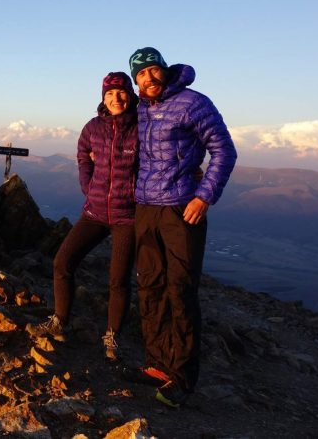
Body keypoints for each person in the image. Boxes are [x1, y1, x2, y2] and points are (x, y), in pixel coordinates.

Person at [127, 47, 237, 408]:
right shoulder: (142, 107)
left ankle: (184, 377)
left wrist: (204, 196)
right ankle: (157, 364)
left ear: (164, 70)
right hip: (146, 208)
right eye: (141, 74)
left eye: (153, 70)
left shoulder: (193, 102)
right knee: (151, 286)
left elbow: (224, 150)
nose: (148, 78)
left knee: (181, 290)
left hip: (180, 209)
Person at [27, 71, 138, 362]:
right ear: (103, 98)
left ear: (130, 94)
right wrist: (87, 186)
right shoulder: (93, 127)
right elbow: (82, 155)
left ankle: (114, 336)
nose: (116, 98)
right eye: (110, 94)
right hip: (95, 211)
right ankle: (60, 320)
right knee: (62, 262)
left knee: (118, 280)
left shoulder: (142, 126)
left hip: (128, 216)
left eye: (121, 92)